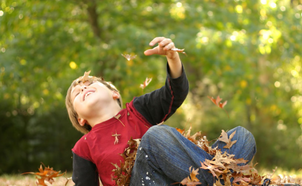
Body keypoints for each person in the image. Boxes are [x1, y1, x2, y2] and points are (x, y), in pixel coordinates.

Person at [65, 37, 257, 186]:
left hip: (180, 180)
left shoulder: (138, 110)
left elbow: (175, 93)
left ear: (114, 93)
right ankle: (221, 181)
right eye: (76, 92)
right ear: (80, 118)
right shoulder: (84, 147)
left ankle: (216, 180)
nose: (83, 88)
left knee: (242, 136)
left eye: (90, 84)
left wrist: (173, 58)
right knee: (155, 134)